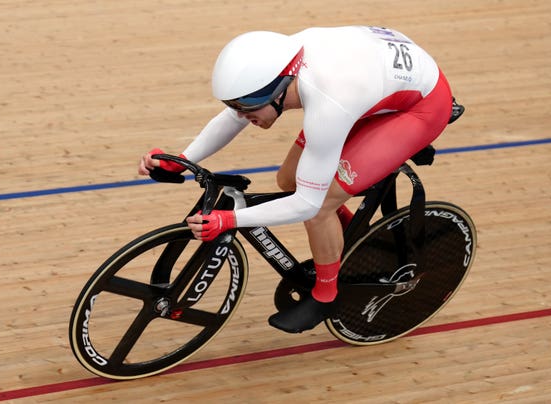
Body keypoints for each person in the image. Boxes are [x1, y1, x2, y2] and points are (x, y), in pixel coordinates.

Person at [138, 26, 454, 334]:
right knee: (288, 179)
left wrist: (231, 220)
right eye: (236, 105)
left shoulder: (327, 105)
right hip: (370, 81)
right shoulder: (279, 64)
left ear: (278, 90)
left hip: (420, 107)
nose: (242, 114)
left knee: (319, 208)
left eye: (247, 108)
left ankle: (326, 295)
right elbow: (236, 114)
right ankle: (350, 236)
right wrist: (183, 160)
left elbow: (306, 205)